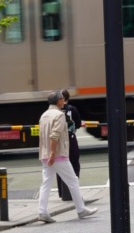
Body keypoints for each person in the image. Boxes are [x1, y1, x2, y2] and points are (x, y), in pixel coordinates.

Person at [38, 92, 97, 222]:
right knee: (73, 181)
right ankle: (81, 210)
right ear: (59, 101)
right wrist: (53, 153)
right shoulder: (59, 115)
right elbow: (55, 135)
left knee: (46, 183)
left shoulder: (44, 115)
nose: (63, 101)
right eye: (62, 99)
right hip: (57, 155)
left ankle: (42, 211)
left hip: (45, 155)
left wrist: (48, 154)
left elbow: (43, 136)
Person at [56, 87, 82, 204]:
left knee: (59, 166)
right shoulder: (72, 109)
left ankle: (62, 192)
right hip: (71, 139)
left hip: (59, 140)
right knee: (74, 163)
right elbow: (78, 124)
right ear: (67, 98)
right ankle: (74, 190)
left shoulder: (55, 111)